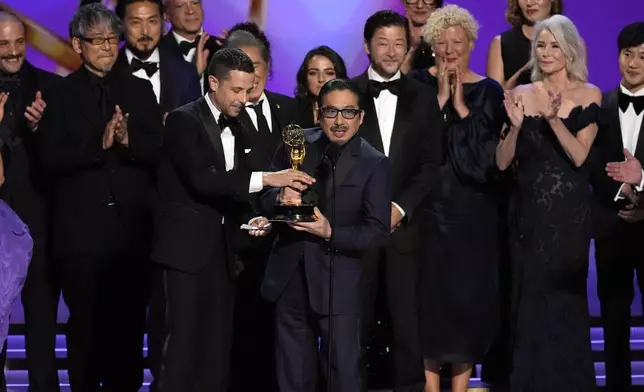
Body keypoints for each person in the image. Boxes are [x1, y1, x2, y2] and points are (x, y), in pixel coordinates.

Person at [151, 47, 314, 392]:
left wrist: (252, 219)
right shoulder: (184, 120)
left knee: (216, 350)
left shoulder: (239, 123)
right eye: (236, 91)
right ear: (213, 83)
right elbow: (204, 180)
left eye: (249, 89)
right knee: (182, 347)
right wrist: (271, 178)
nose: (244, 98)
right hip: (185, 254)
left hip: (224, 254)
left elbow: (236, 188)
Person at [37, 4, 164, 391]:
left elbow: (159, 151)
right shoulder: (58, 94)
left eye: (112, 39)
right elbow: (47, 160)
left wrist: (127, 142)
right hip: (81, 239)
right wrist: (99, 144)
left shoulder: (139, 89)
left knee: (127, 334)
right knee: (86, 334)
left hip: (132, 236)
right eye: (97, 40)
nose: (107, 47)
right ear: (77, 44)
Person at [258, 77, 391, 392]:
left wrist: (330, 231)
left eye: (348, 113)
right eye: (332, 112)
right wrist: (279, 198)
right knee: (292, 376)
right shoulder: (296, 144)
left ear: (360, 117)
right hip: (290, 279)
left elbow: (378, 233)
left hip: (339, 282)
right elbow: (263, 198)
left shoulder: (374, 163)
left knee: (343, 375)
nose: (340, 121)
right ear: (318, 113)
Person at [496, 14, 601, 391]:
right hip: (527, 217)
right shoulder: (520, 94)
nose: (546, 52)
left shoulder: (590, 94)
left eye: (555, 44)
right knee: (529, 304)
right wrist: (517, 128)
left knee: (563, 306)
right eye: (541, 44)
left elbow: (579, 157)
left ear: (569, 49)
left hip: (568, 220)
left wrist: (556, 120)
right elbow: (502, 161)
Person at [408, 5, 504, 392]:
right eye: (442, 43)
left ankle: (461, 387)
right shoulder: (415, 84)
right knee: (428, 303)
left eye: (457, 43)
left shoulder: (489, 91)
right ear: (431, 46)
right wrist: (439, 101)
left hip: (472, 216)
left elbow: (485, 163)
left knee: (465, 303)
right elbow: (409, 148)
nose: (449, 50)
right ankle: (430, 386)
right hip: (426, 212)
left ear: (471, 45)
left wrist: (461, 107)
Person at [353, 10, 442, 392]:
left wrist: (399, 208)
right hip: (356, 228)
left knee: (408, 324)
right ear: (367, 46)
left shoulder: (423, 97)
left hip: (405, 230)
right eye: (383, 43)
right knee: (354, 323)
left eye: (399, 44)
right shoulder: (346, 93)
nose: (391, 52)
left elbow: (429, 165)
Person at [0, 11, 62, 392]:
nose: (13, 51)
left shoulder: (50, 88)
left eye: (19, 42)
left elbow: (61, 155)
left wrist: (40, 128)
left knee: (41, 325)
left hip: (37, 220)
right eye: (3, 43)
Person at [590, 21, 644, 392]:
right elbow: (590, 165)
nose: (635, 63)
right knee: (612, 320)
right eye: (628, 54)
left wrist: (641, 182)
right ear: (618, 56)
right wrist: (619, 195)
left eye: (643, 57)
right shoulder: (600, 105)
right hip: (610, 227)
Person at [114, 0, 201, 117]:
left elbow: (197, 127)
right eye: (136, 23)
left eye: (152, 22)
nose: (145, 31)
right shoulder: (108, 71)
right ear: (121, 25)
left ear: (162, 21)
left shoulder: (186, 73)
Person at [487, 0, 564, 90]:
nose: (529, 3)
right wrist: (528, 67)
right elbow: (494, 98)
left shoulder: (568, 42)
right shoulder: (501, 43)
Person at [294, 45, 347, 128]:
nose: (321, 79)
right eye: (313, 73)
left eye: (329, 73)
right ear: (305, 77)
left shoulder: (350, 111)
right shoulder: (292, 110)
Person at [400, 0, 442, 74]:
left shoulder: (447, 34)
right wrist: (413, 48)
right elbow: (391, 84)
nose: (419, 5)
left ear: (436, 4)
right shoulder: (390, 31)